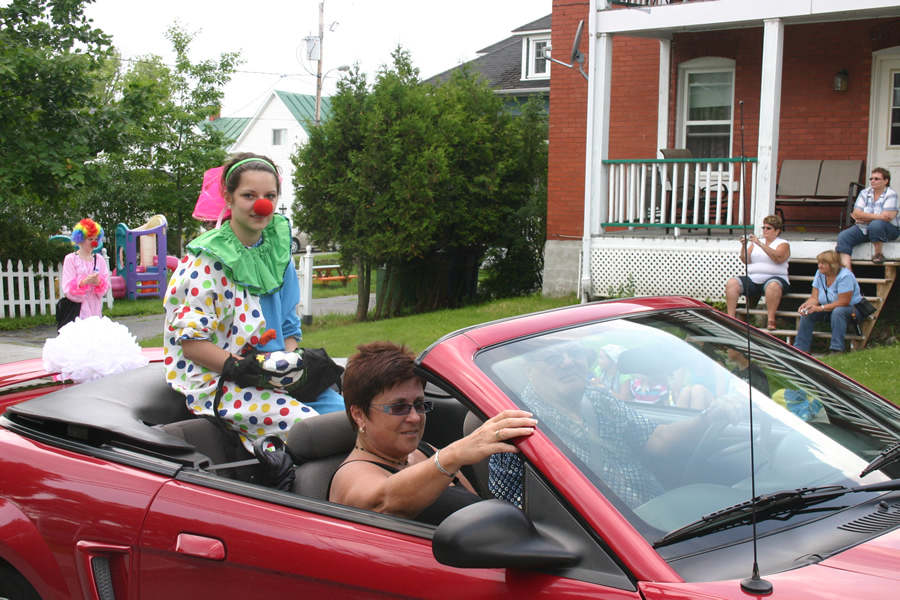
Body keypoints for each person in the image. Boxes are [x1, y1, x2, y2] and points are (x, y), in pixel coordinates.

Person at [164, 153, 344, 452]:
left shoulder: (277, 253)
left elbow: (288, 325)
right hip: (221, 380)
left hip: (275, 374)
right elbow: (193, 343)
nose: (262, 205)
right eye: (249, 195)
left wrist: (289, 367)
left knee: (350, 419)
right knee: (313, 431)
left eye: (269, 196)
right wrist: (242, 369)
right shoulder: (205, 261)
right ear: (228, 197)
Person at [488, 341, 740, 510]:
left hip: (656, 520)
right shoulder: (517, 430)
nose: (568, 362)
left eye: (575, 354)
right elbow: (515, 518)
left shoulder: (600, 400)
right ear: (528, 369)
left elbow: (659, 439)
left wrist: (707, 418)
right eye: (552, 358)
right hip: (608, 553)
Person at [328, 341, 536, 525]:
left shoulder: (426, 451)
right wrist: (455, 454)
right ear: (359, 415)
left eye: (419, 404)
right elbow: (383, 504)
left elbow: (482, 511)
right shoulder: (351, 475)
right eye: (398, 407)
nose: (415, 417)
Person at [725, 215, 791, 330]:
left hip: (775, 279)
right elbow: (746, 260)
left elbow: (778, 257)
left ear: (777, 231)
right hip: (753, 279)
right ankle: (731, 318)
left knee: (773, 286)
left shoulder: (782, 243)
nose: (765, 230)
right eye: (763, 227)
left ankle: (771, 320)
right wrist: (743, 246)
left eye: (768, 228)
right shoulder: (756, 243)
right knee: (732, 282)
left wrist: (760, 244)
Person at [794, 250, 863, 354]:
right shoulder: (820, 274)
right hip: (828, 308)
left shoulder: (845, 276)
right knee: (807, 312)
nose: (819, 266)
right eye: (819, 263)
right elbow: (814, 297)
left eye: (823, 264)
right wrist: (807, 304)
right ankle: (801, 348)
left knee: (838, 311)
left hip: (851, 310)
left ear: (833, 265)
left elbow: (843, 302)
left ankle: (837, 349)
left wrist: (820, 308)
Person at [836, 167, 898, 269]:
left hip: (888, 229)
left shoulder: (891, 194)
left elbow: (888, 217)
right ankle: (847, 269)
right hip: (864, 228)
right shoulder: (865, 193)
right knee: (844, 236)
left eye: (876, 179)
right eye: (871, 179)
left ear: (886, 181)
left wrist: (864, 217)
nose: (873, 181)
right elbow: (856, 213)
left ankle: (878, 254)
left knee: (876, 224)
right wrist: (878, 216)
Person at [60, 218, 111, 321]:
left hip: (95, 309)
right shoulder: (71, 259)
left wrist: (99, 283)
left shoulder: (99, 259)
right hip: (78, 311)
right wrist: (83, 282)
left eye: (96, 239)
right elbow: (67, 287)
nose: (94, 243)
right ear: (81, 239)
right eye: (90, 239)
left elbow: (106, 285)